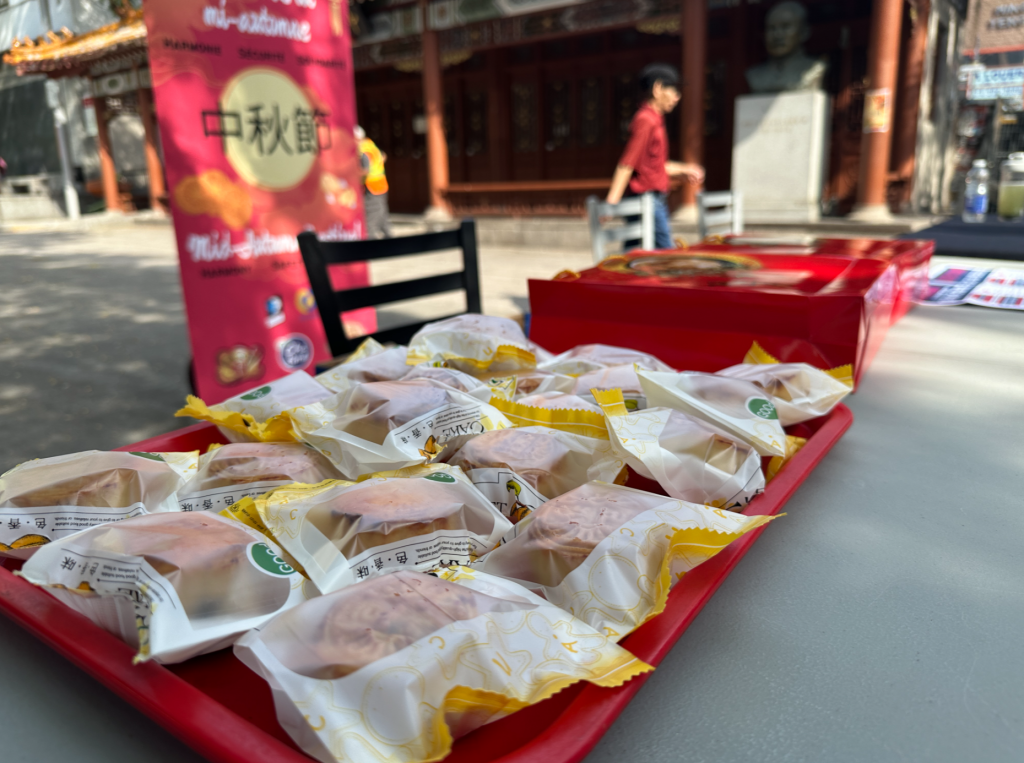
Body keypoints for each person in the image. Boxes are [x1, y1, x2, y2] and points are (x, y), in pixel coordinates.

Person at [605, 63, 705, 251]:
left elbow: (654, 164)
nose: (677, 97)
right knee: (666, 252)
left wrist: (685, 170)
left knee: (632, 253)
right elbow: (628, 162)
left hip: (651, 199)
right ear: (658, 88)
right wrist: (611, 202)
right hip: (646, 200)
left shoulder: (655, 120)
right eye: (674, 90)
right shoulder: (646, 120)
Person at [355, 125, 391, 239]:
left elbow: (365, 170)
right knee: (382, 214)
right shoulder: (370, 145)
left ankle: (372, 245)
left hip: (372, 186)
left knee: (371, 219)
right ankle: (389, 238)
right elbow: (384, 156)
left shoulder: (362, 150)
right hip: (381, 184)